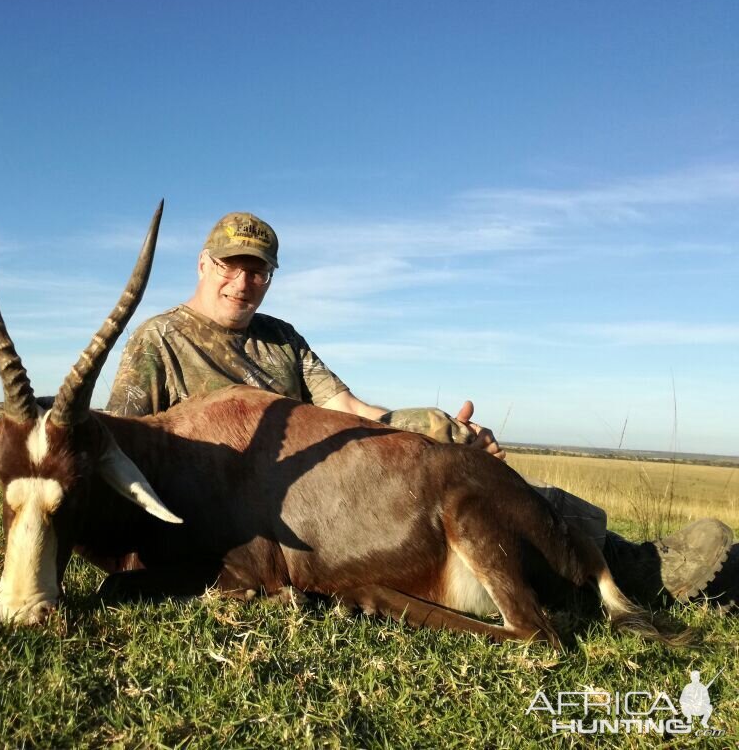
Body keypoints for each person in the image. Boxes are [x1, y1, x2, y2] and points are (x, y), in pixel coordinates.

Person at [107, 211, 736, 607]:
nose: (242, 282)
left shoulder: (283, 337)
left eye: (258, 271)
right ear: (203, 264)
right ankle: (628, 573)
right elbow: (124, 442)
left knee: (474, 483)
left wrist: (443, 430)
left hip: (327, 492)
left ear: (270, 278)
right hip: (246, 519)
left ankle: (635, 562)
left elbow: (348, 409)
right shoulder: (159, 339)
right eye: (230, 266)